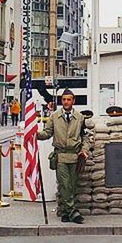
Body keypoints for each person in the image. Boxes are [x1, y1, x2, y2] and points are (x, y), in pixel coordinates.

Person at [37, 89, 90, 224]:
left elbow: (85, 137)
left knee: (72, 186)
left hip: (75, 156)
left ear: (73, 101)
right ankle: (74, 212)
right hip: (60, 156)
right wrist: (35, 134)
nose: (66, 102)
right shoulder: (54, 117)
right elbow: (47, 133)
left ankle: (66, 213)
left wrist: (84, 150)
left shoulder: (80, 118)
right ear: (61, 101)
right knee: (64, 184)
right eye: (64, 99)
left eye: (69, 99)